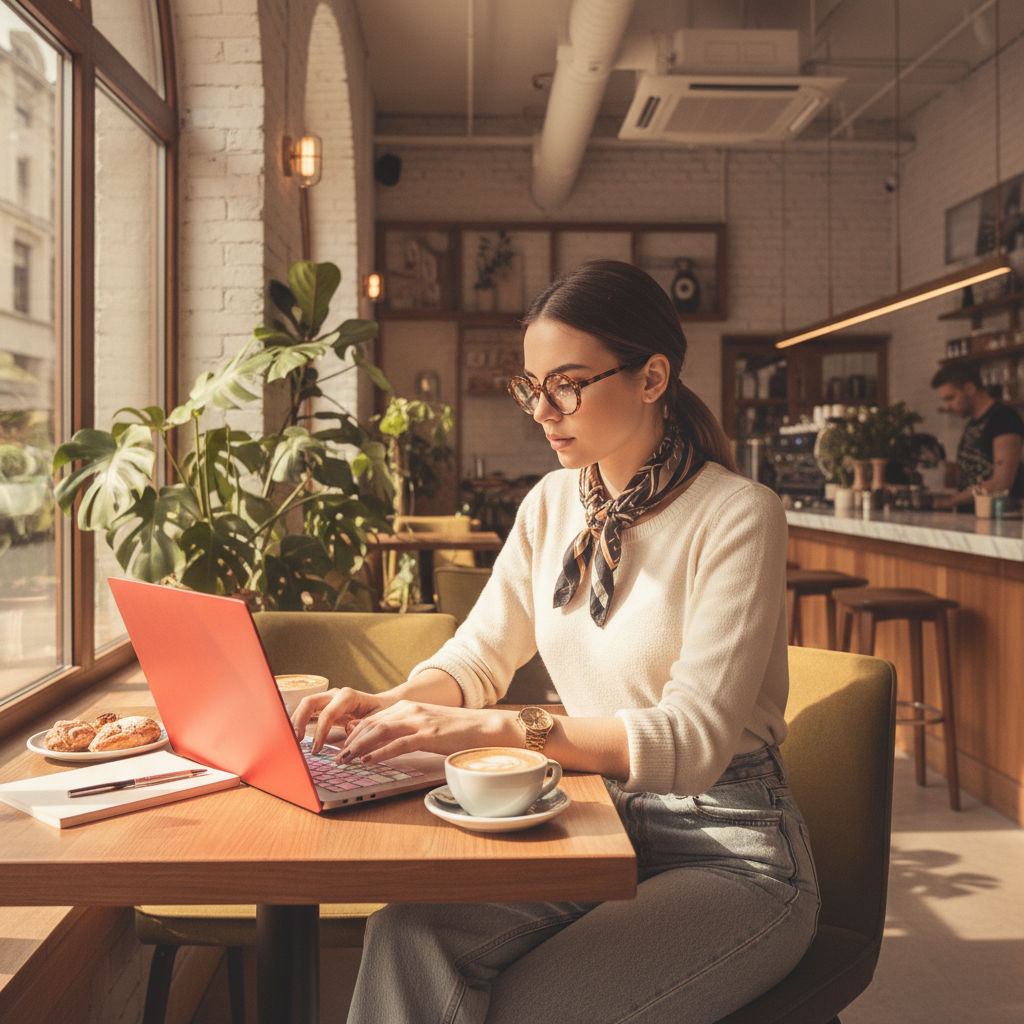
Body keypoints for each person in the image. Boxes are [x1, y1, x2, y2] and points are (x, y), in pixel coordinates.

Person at [293, 260, 819, 1024]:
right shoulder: (551, 502)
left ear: (652, 377)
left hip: (728, 843)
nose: (543, 410)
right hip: (592, 818)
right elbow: (478, 658)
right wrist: (391, 705)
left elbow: (695, 741)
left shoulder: (738, 513)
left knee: (532, 1009)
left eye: (567, 383)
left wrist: (484, 729)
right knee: (406, 933)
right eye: (531, 386)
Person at [930, 363, 1024, 511]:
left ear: (970, 389)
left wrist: (949, 502)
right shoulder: (972, 423)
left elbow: (1001, 482)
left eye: (950, 398)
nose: (947, 406)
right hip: (972, 519)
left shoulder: (1004, 418)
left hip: (998, 520)